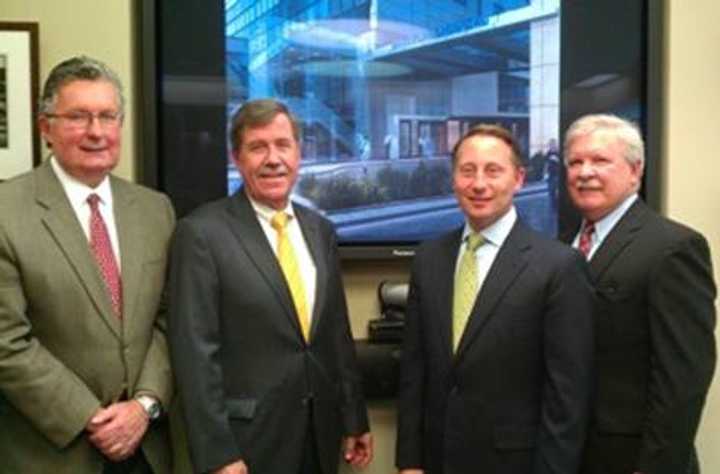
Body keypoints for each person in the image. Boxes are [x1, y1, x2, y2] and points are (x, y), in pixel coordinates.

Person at [168, 99, 372, 474]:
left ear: (299, 153)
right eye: (257, 147)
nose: (273, 159)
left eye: (283, 145)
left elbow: (335, 335)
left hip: (319, 434)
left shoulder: (319, 230)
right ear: (236, 158)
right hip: (247, 444)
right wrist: (218, 454)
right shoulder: (201, 233)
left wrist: (353, 417)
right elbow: (195, 356)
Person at [0, 56, 175, 473]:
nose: (96, 132)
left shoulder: (155, 210)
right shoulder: (7, 211)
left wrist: (145, 405)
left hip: (147, 450)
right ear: (46, 128)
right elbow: (7, 341)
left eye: (107, 116)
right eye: (78, 117)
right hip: (52, 452)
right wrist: (89, 417)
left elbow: (170, 320)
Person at [395, 124, 595, 474]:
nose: (479, 184)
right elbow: (415, 370)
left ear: (518, 179)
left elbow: (568, 396)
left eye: (493, 171)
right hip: (437, 458)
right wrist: (409, 460)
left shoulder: (558, 266)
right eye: (467, 171)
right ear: (453, 178)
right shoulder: (429, 258)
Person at [563, 114, 716, 474]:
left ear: (635, 171)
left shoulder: (673, 247)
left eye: (600, 160)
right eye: (575, 162)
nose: (585, 172)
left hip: (635, 460)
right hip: (573, 455)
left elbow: (683, 378)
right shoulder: (562, 247)